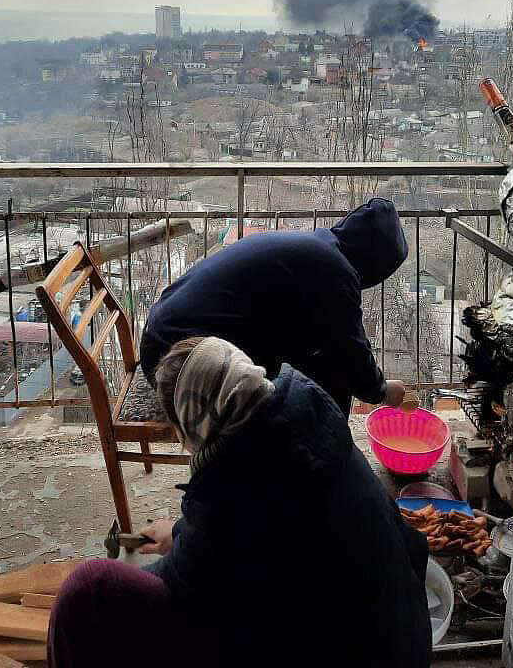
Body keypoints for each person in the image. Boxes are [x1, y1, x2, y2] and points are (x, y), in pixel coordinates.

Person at [48, 337, 432, 668]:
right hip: (405, 644)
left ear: (191, 427)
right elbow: (262, 529)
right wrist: (182, 532)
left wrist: (184, 546)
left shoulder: (227, 508)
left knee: (91, 592)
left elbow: (179, 588)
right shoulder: (311, 429)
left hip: (351, 654)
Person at [140, 196, 409, 415]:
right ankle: (317, 461)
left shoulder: (316, 249)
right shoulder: (334, 270)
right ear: (375, 265)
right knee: (315, 386)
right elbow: (349, 346)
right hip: (174, 362)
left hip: (163, 339)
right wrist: (381, 391)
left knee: (318, 367)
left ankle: (322, 454)